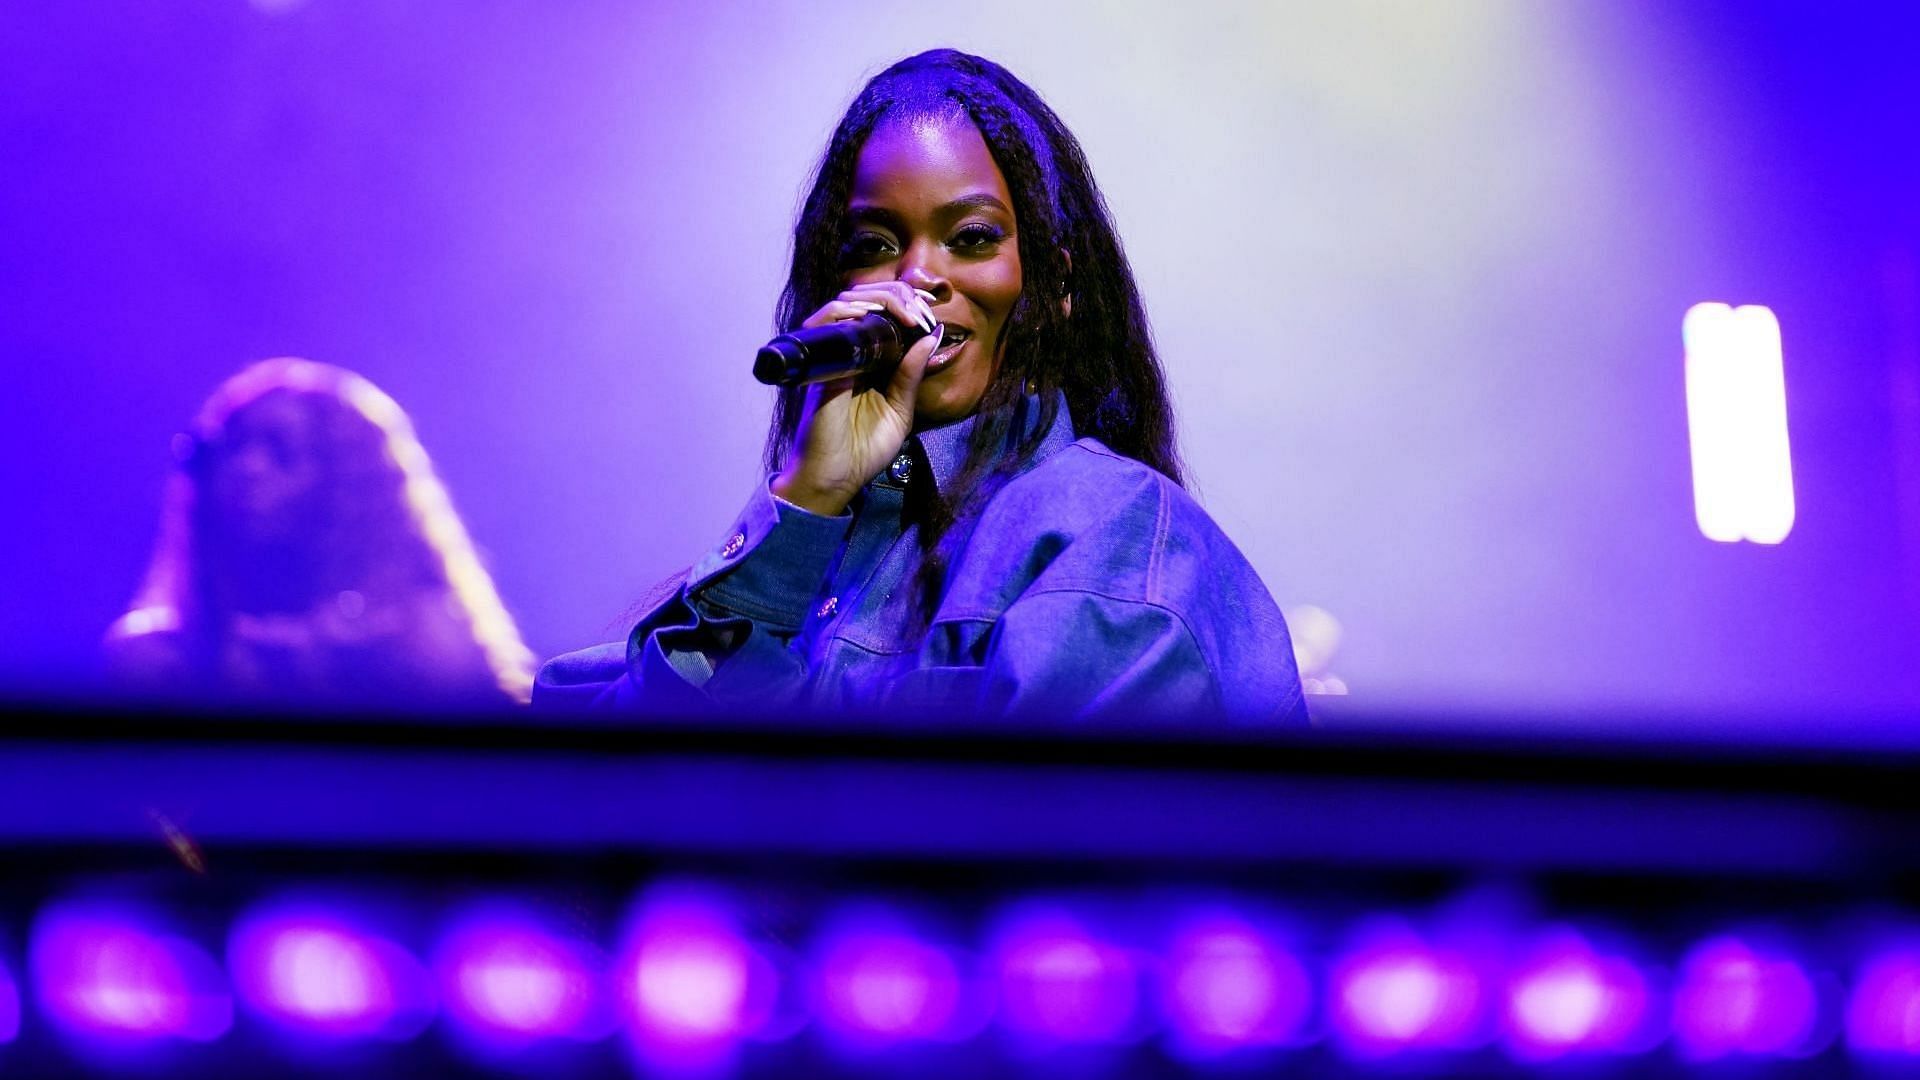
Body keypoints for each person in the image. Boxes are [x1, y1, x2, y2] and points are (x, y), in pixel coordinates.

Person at [539, 49, 1306, 722]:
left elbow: (1045, 866)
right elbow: (622, 793)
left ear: (1054, 281)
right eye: (875, 245)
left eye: (971, 238)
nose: (918, 279)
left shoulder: (1108, 535)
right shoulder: (822, 553)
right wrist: (804, 503)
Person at [106, 358, 535, 707]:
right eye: (232, 446)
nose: (248, 469)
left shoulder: (421, 637)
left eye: (281, 450)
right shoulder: (162, 662)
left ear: (351, 485)